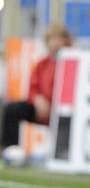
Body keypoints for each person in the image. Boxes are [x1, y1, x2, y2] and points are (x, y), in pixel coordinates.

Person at [1, 24, 72, 155]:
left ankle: (64, 153)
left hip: (64, 111)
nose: (55, 43)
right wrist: (37, 99)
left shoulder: (73, 62)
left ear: (66, 41)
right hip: (42, 110)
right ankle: (11, 151)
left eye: (58, 39)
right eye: (51, 39)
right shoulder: (42, 64)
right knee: (12, 110)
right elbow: (32, 88)